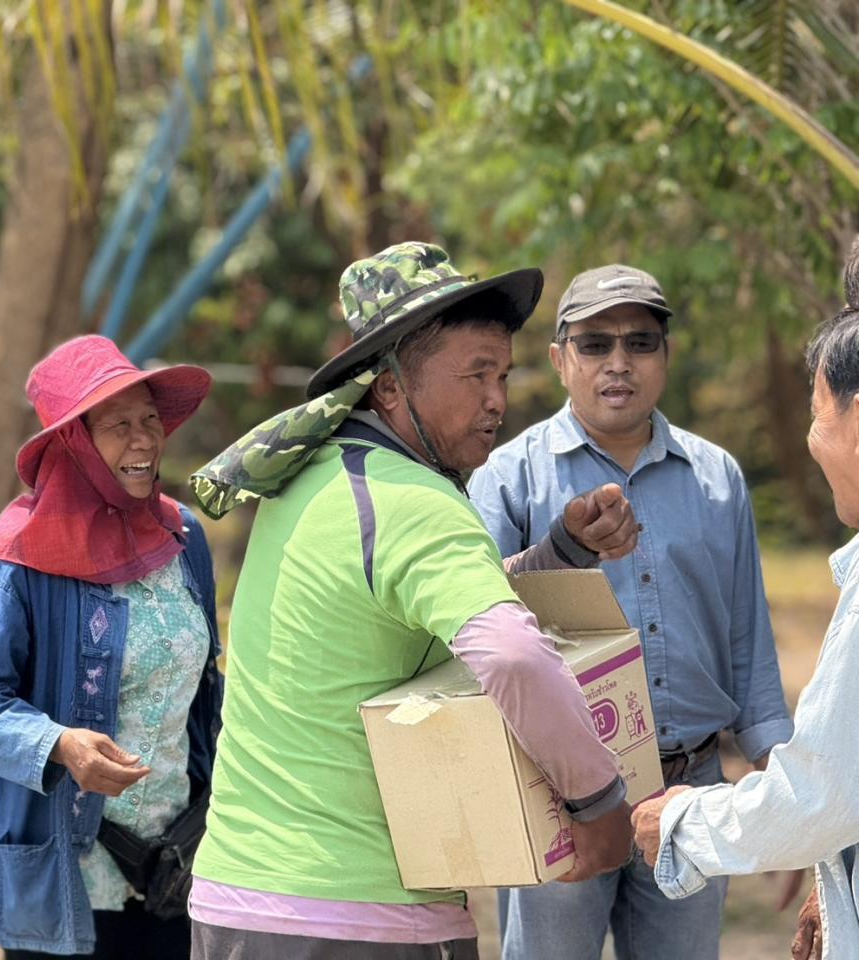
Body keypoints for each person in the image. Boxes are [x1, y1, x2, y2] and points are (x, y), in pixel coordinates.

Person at [186, 242, 639, 960]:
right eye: (475, 375)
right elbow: (515, 656)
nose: (498, 398)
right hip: (363, 916)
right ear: (391, 389)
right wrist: (599, 804)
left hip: (236, 901)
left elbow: (403, 610)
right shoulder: (416, 504)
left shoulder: (306, 483)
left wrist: (559, 553)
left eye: (504, 374)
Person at [468, 264, 794, 960]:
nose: (619, 362)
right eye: (595, 344)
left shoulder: (717, 477)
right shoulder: (508, 477)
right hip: (557, 792)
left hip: (694, 791)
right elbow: (470, 625)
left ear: (665, 357)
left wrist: (785, 788)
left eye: (641, 342)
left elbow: (747, 643)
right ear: (559, 360)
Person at [0, 335, 221, 958]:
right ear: (75, 444)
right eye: (117, 426)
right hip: (68, 881)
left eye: (150, 420)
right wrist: (58, 743)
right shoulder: (20, 558)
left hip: (176, 866)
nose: (143, 439)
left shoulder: (182, 536)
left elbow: (206, 690)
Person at [632, 241, 859, 960]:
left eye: (819, 414)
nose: (809, 439)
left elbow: (821, 795)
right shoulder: (517, 473)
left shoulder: (715, 477)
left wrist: (684, 822)